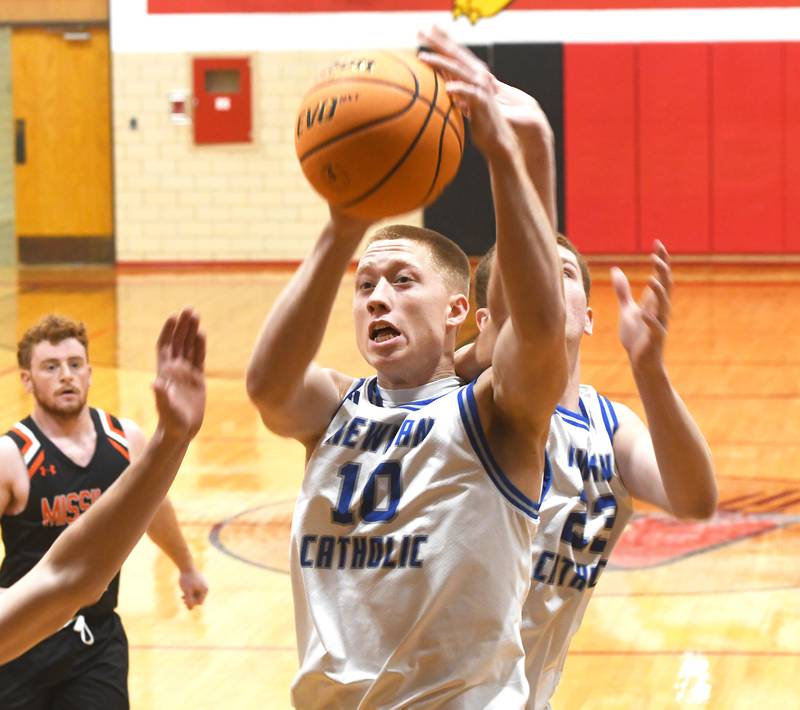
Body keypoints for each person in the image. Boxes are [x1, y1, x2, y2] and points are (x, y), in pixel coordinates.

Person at [246, 27, 567, 708]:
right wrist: (342, 229)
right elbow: (268, 385)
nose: (378, 296)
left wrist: (511, 157)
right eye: (366, 286)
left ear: (459, 308)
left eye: (401, 281)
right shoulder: (335, 409)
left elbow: (538, 329)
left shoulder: (495, 414)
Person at [464, 235, 717, 709]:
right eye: (527, 272)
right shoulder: (467, 406)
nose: (544, 284)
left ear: (588, 317)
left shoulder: (610, 426)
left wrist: (649, 370)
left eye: (561, 273)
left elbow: (695, 500)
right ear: (486, 323)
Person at [0, 312, 209, 708]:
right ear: (26, 379)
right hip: (21, 643)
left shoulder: (124, 439)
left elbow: (155, 509)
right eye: (51, 367)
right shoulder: (12, 455)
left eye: (75, 365)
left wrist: (186, 566)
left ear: (90, 373)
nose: (66, 376)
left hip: (94, 638)